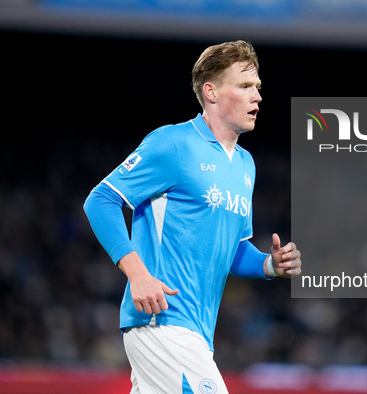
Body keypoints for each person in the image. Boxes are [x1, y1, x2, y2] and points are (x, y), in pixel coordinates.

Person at [83, 40, 301, 394]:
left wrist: (269, 265)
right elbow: (101, 201)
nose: (257, 96)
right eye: (245, 86)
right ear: (211, 92)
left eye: (258, 87)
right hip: (162, 322)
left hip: (196, 333)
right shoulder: (173, 144)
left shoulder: (245, 165)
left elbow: (233, 249)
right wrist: (138, 275)